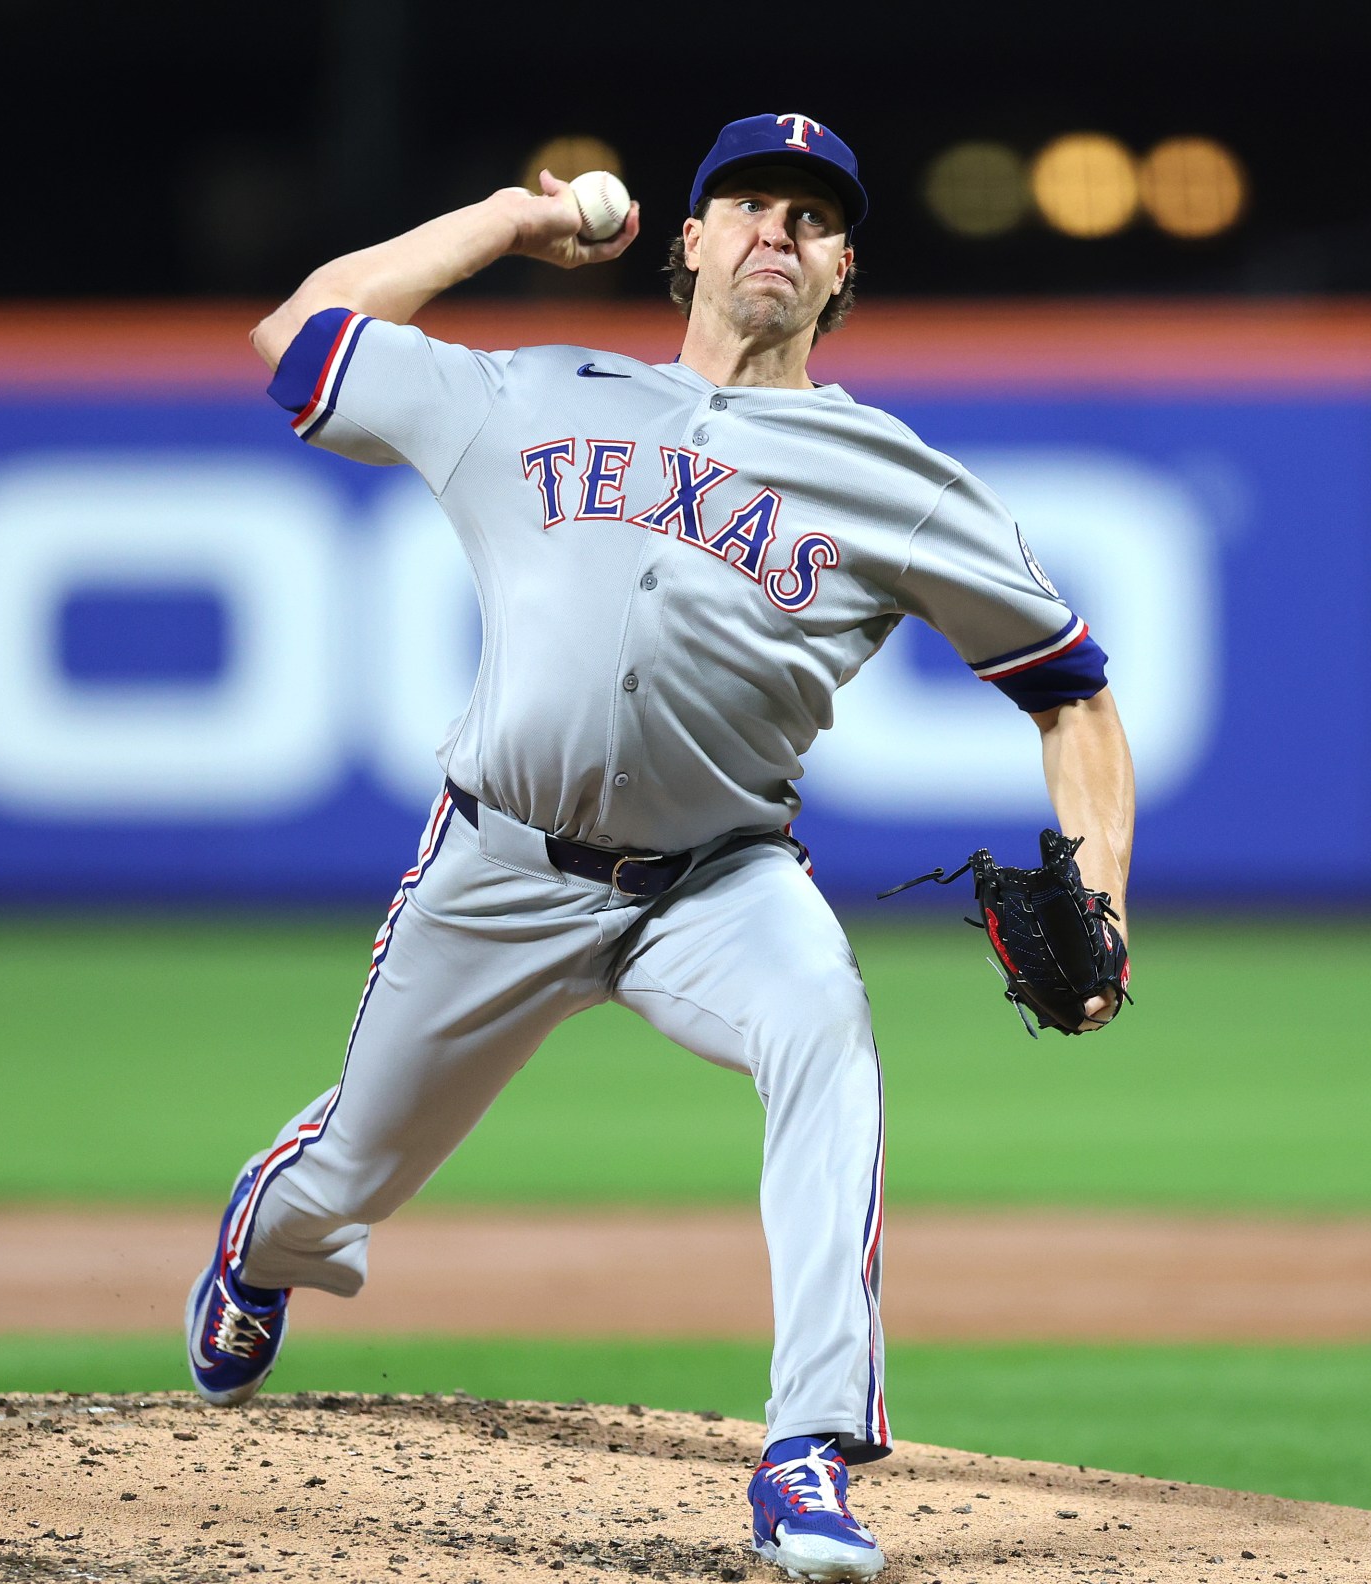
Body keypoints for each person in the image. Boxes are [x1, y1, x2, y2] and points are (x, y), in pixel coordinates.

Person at [186, 112, 1135, 1583]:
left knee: (827, 1028)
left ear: (840, 277)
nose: (778, 232)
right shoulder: (526, 392)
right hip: (499, 868)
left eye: (812, 221)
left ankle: (808, 1452)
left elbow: (1071, 694)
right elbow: (296, 333)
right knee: (352, 1178)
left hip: (721, 881)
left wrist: (1109, 899)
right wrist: (511, 218)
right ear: (686, 241)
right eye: (748, 204)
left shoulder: (900, 479)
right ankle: (270, 1237)